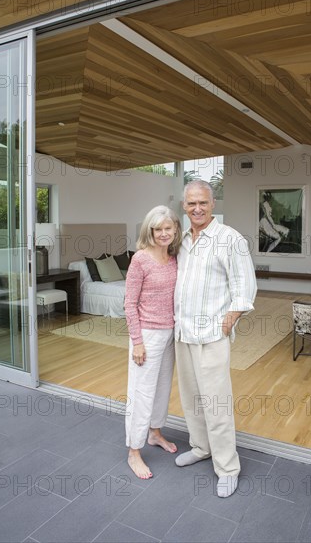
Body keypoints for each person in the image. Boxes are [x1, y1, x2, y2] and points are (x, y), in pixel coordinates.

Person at [174, 180, 257, 498]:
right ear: (184, 205)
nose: (197, 208)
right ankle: (200, 447)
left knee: (216, 403)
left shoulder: (229, 239)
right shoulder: (181, 239)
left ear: (213, 204)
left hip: (211, 334)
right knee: (191, 398)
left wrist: (230, 319)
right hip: (182, 333)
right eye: (191, 203)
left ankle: (228, 468)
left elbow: (245, 285)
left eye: (203, 203)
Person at [124, 205, 182, 479]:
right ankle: (133, 451)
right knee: (141, 394)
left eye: (167, 228)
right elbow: (129, 303)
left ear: (175, 229)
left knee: (161, 389)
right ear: (149, 230)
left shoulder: (174, 257)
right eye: (157, 229)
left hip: (170, 333)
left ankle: (155, 433)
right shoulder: (140, 259)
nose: (163, 233)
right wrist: (137, 341)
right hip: (146, 335)